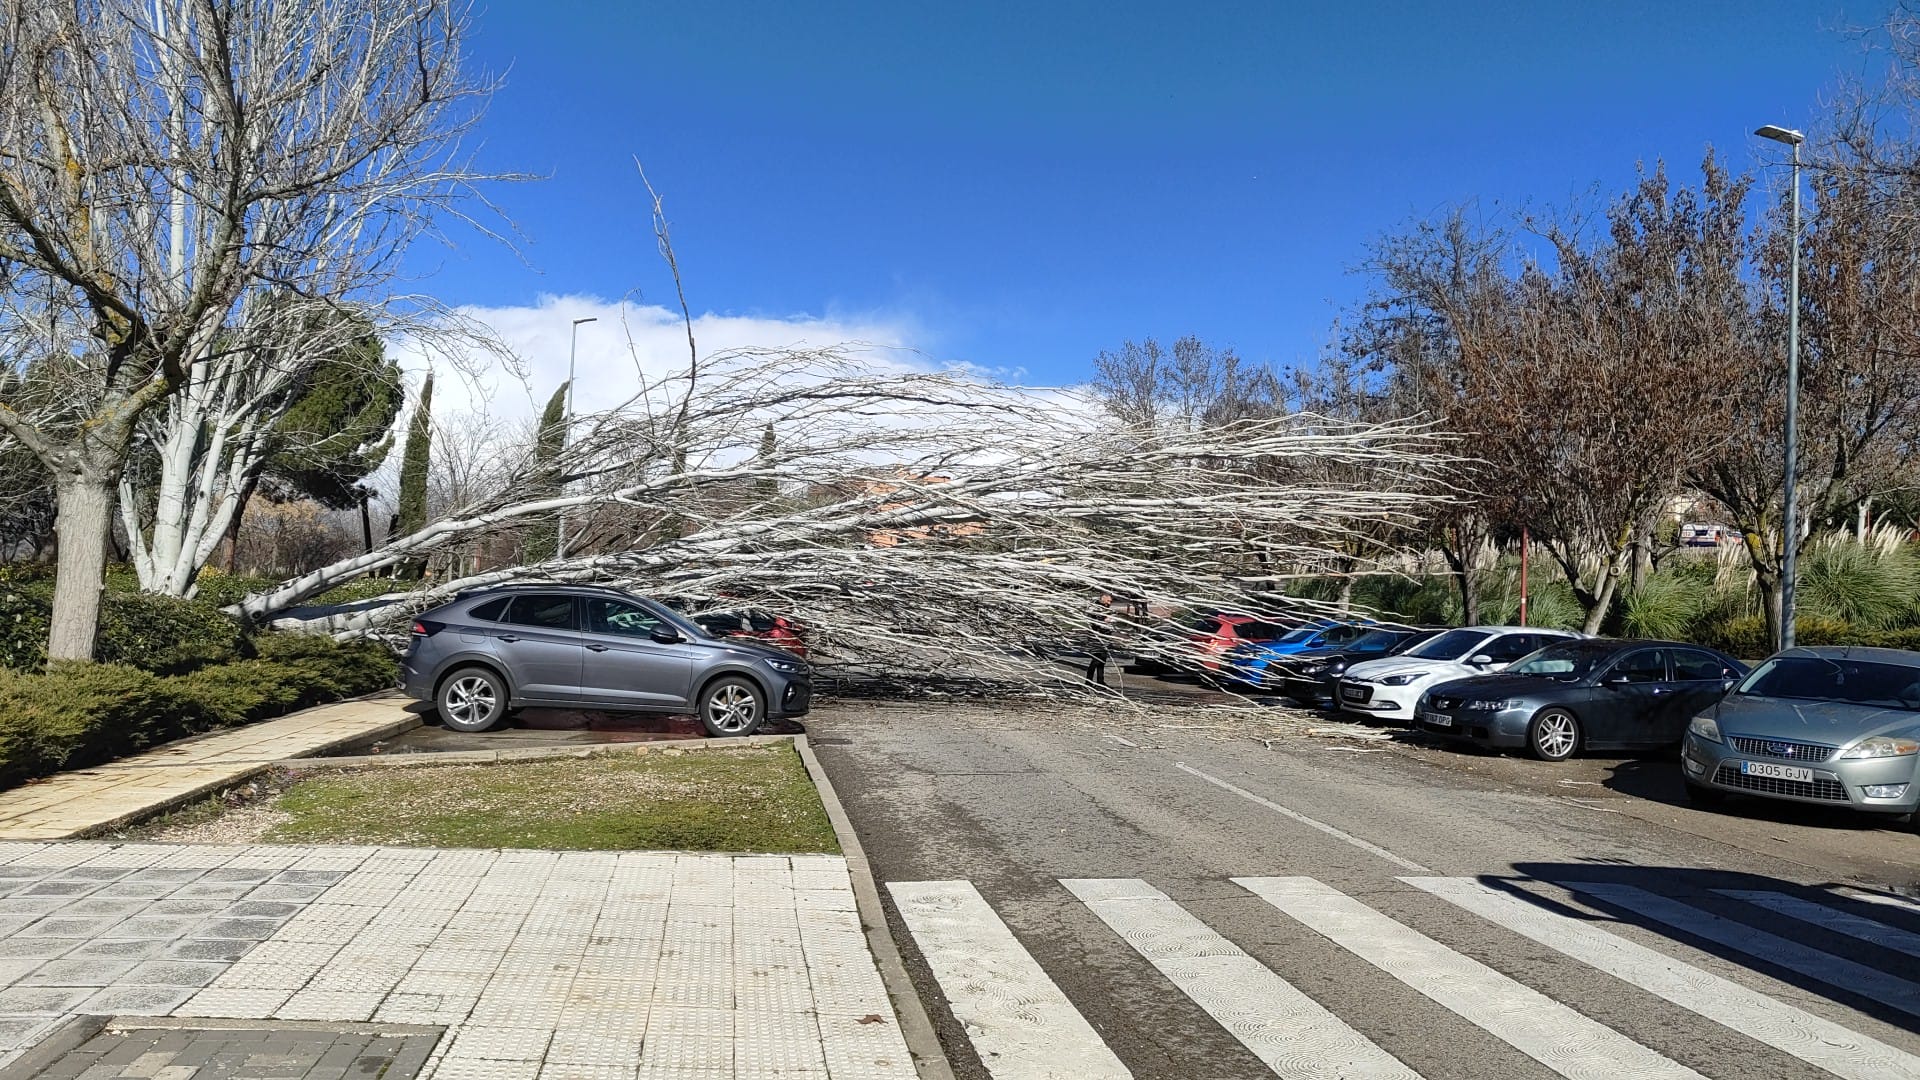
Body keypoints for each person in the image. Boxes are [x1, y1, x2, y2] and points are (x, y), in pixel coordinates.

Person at [1085, 594, 1115, 686]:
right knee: (1096, 660)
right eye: (1108, 601)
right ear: (1103, 599)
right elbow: (1096, 623)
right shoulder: (1095, 608)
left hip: (1105, 636)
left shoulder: (1107, 609)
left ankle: (1100, 680)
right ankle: (1088, 681)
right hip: (1097, 637)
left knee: (1102, 660)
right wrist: (1105, 621)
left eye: (1110, 601)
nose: (1109, 603)